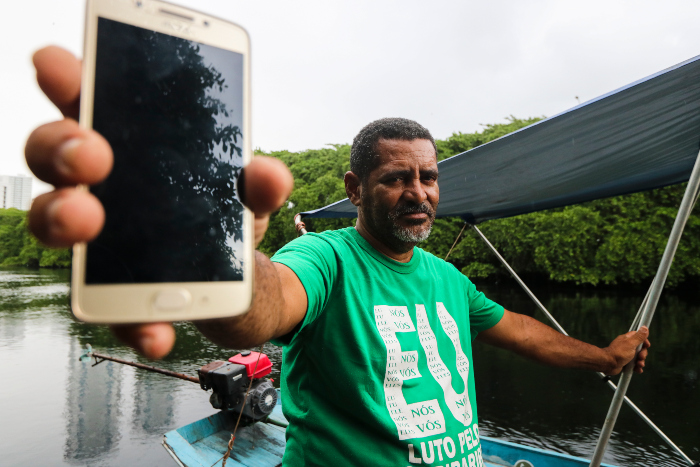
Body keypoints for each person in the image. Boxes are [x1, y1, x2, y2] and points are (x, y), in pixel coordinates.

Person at [26, 46, 649, 467]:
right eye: (396, 178)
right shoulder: (326, 257)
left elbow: (519, 332)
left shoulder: (449, 280)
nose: (419, 193)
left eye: (428, 178)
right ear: (355, 190)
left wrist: (603, 356)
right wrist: (213, 256)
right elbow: (264, 307)